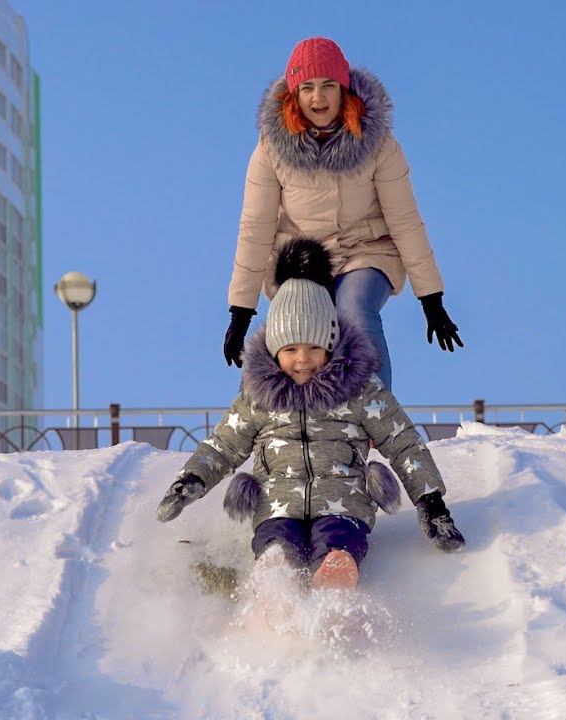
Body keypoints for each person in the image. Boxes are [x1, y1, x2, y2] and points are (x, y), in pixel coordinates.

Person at [163, 239, 465, 590]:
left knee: (339, 539)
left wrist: (431, 501)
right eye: (290, 349)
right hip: (276, 505)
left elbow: (403, 443)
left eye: (313, 347)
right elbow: (223, 445)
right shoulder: (258, 397)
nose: (302, 359)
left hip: (343, 503)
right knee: (276, 544)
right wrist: (190, 481)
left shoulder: (360, 389)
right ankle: (275, 586)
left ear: (331, 344)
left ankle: (336, 580)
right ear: (275, 351)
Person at [223, 36, 462, 390]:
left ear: (343, 89)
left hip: (366, 251)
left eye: (328, 86)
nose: (318, 98)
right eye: (307, 88)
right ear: (294, 93)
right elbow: (256, 227)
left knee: (353, 309)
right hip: (302, 259)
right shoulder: (271, 147)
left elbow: (405, 219)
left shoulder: (377, 142)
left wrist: (431, 297)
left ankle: (375, 414)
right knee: (295, 329)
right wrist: (241, 310)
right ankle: (276, 427)